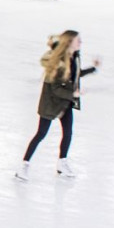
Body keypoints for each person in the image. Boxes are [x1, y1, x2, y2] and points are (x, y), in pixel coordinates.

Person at [15, 31, 100, 181]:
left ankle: (62, 163)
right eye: (77, 40)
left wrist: (93, 69)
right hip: (51, 103)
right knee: (41, 133)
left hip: (65, 102)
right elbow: (55, 89)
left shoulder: (75, 57)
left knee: (68, 133)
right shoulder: (58, 62)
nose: (80, 42)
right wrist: (74, 95)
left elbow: (75, 73)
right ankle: (24, 166)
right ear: (69, 42)